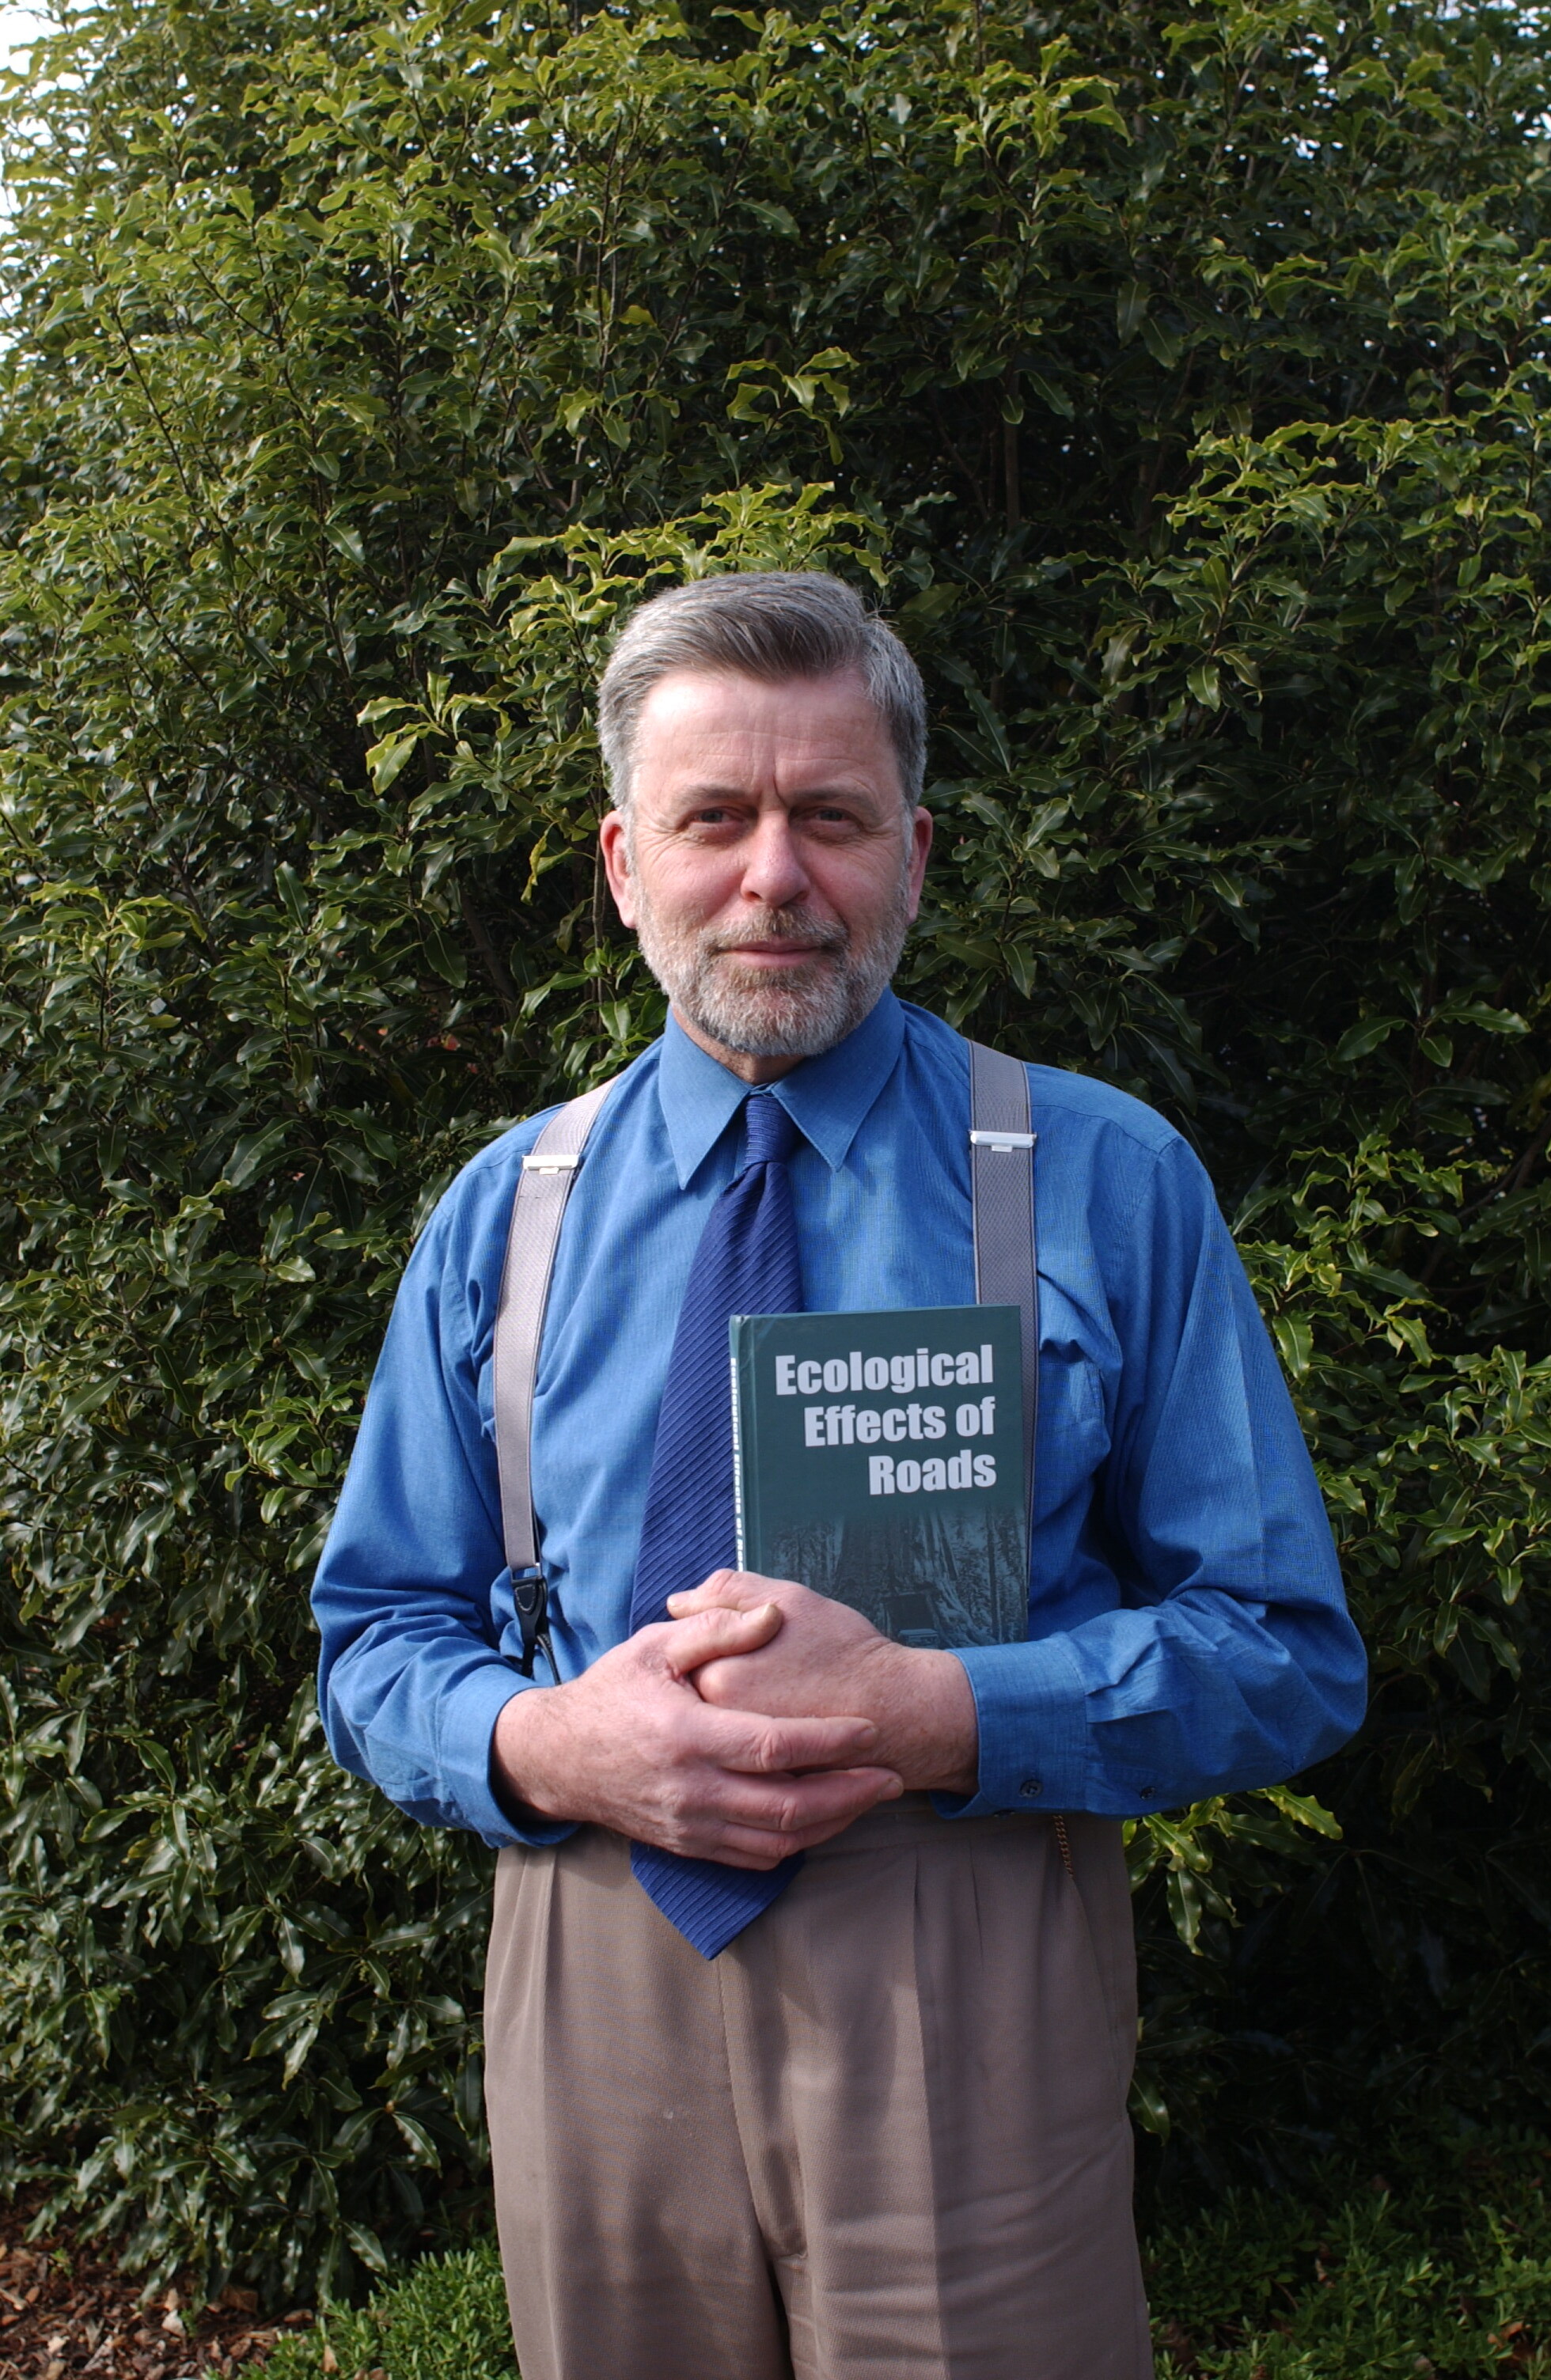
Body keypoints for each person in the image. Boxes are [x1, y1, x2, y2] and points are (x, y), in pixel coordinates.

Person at [312, 570, 1367, 2380]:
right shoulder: (505, 1216)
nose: (773, 876)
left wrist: (941, 1709)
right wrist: (542, 1742)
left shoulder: (1100, 1179)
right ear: (624, 862)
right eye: (712, 818)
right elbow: (375, 1634)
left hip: (965, 1956)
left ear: (914, 854)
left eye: (830, 817)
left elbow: (1282, 1645)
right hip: (592, 1941)